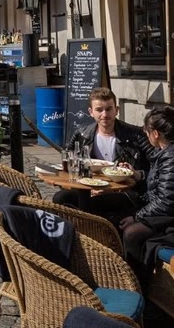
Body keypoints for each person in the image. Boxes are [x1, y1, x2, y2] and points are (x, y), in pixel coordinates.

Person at [54, 87, 156, 209]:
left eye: (109, 109)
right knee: (60, 198)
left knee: (92, 203)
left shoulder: (135, 135)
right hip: (89, 187)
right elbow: (68, 162)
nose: (105, 115)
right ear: (91, 112)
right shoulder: (82, 134)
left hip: (124, 191)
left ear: (116, 110)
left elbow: (158, 168)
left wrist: (137, 174)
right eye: (99, 110)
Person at [117, 106, 174, 289]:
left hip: (169, 217)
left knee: (132, 233)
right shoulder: (164, 152)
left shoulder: (170, 157)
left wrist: (137, 217)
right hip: (161, 209)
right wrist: (138, 175)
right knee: (117, 210)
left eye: (146, 131)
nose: (145, 134)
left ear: (155, 134)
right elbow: (160, 182)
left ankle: (138, 285)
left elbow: (165, 201)